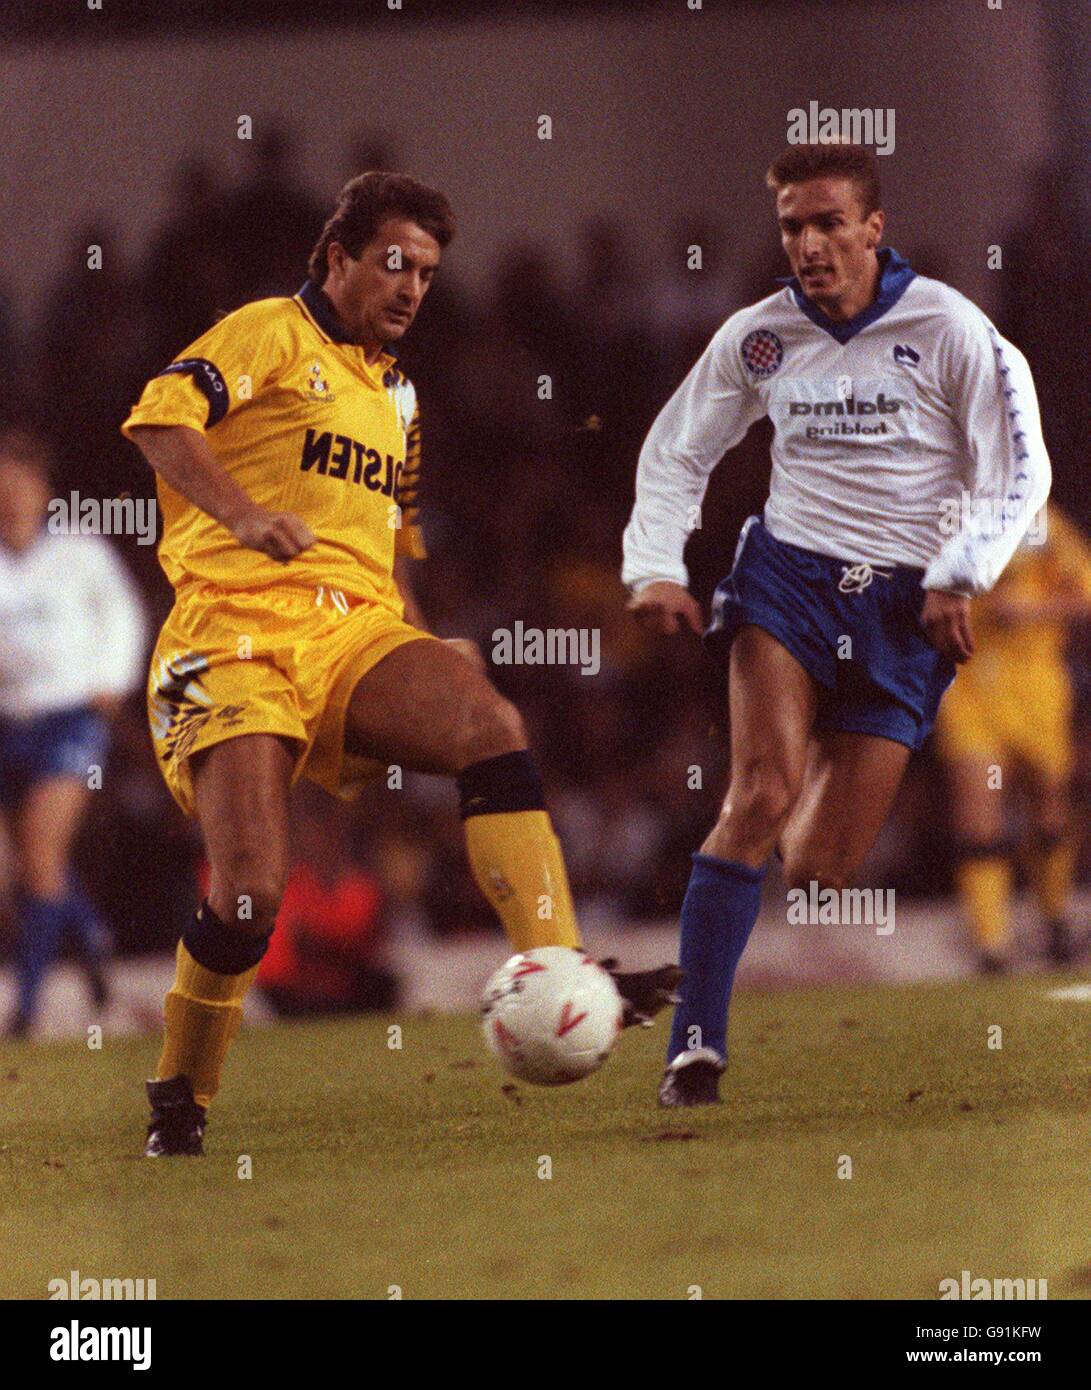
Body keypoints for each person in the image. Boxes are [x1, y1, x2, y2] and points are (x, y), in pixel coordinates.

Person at [122, 171, 678, 1157]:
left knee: (490, 725)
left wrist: (424, 635)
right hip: (228, 632)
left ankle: (556, 964)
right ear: (336, 258)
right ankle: (180, 1090)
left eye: (425, 270)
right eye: (393, 263)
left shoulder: (400, 392)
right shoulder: (265, 331)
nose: (412, 286)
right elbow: (161, 421)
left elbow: (388, 537)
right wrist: (244, 514)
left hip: (354, 630)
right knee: (250, 888)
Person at [623, 143, 1051, 1107]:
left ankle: (805, 770)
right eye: (790, 227)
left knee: (817, 865)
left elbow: (1021, 472)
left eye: (826, 224)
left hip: (905, 608)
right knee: (759, 792)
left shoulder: (950, 328)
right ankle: (693, 1047)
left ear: (872, 228)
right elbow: (676, 449)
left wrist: (958, 572)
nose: (808, 244)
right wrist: (652, 564)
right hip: (789, 580)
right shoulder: (759, 335)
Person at [0, 428, 146, 1035]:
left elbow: (124, 615)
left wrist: (112, 681)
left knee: (41, 855)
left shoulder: (80, 553)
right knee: (28, 869)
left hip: (70, 719)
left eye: (21, 483)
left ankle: (27, 1010)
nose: (12, 496)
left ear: (43, 490)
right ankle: (91, 938)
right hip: (9, 721)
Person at [934, 507, 1091, 972]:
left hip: (1037, 684)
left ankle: (1055, 916)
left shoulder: (1044, 524)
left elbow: (1084, 595)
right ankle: (992, 944)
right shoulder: (943, 515)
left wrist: (1034, 609)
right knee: (978, 816)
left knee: (1049, 807)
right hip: (971, 686)